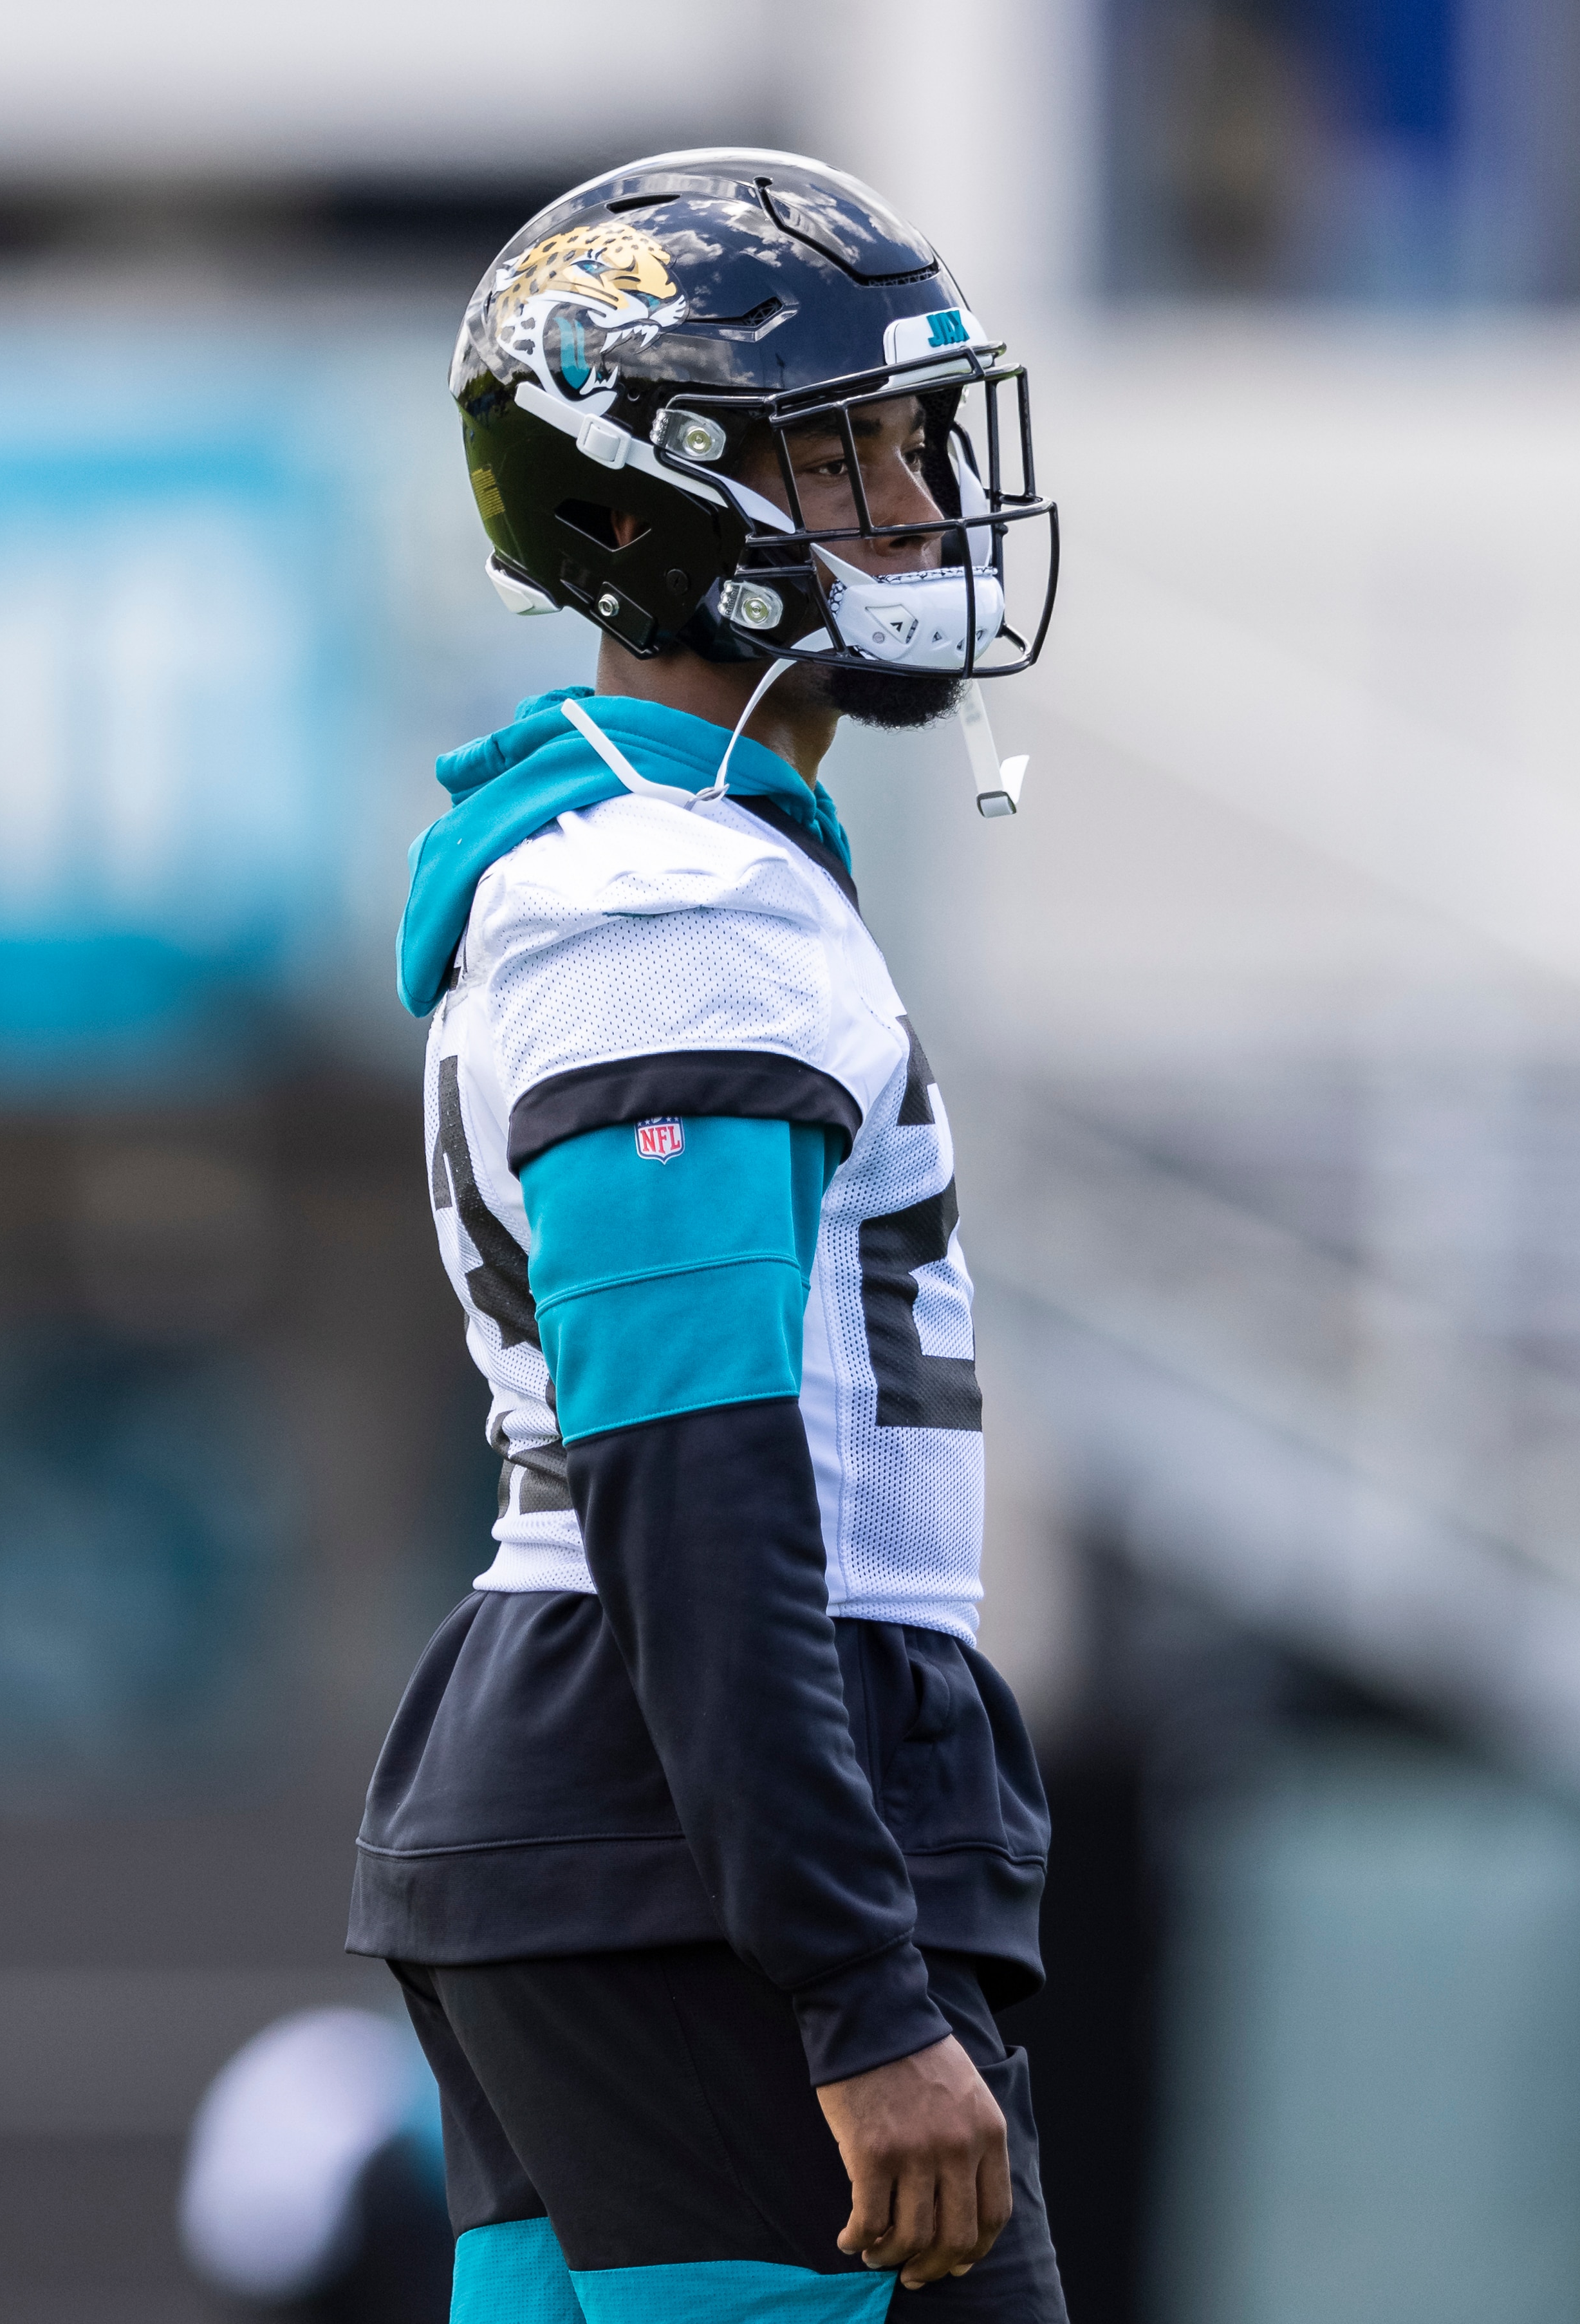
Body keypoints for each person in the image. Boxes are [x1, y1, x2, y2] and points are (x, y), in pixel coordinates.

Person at [348, 147, 1068, 2321]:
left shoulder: (683, 870)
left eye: (912, 442)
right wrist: (854, 1991)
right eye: (842, 452)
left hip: (629, 1815)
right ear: (652, 508)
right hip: (697, 1821)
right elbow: (695, 1465)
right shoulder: (673, 900)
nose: (923, 507)